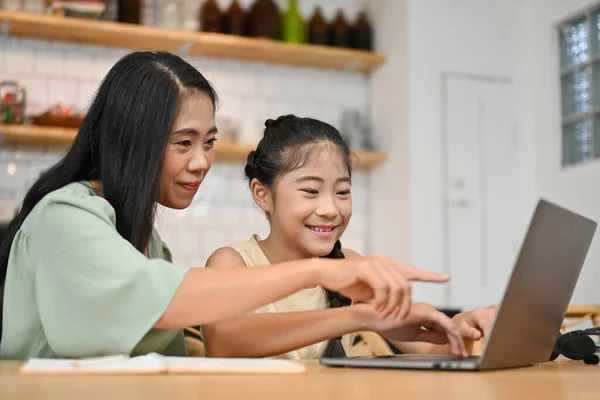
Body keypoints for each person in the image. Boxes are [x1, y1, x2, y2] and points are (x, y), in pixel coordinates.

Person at [0, 52, 451, 360]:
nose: (201, 162)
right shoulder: (66, 215)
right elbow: (167, 301)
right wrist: (322, 272)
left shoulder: (144, 240)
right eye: (184, 143)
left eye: (209, 143)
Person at [202, 115, 493, 359]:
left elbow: (426, 347)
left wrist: (462, 328)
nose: (330, 210)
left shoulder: (350, 266)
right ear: (262, 194)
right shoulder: (231, 263)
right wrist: (357, 317)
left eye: (343, 192)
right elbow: (223, 342)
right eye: (311, 191)